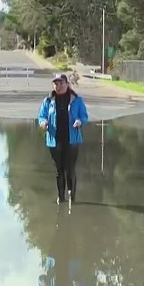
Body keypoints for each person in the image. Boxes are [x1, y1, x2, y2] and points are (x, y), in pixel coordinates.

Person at [37, 73, 89, 203]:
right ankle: (61, 197)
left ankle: (72, 197)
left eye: (61, 83)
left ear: (67, 84)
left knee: (70, 169)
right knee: (59, 170)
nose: (58, 86)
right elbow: (41, 116)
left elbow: (84, 116)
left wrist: (79, 121)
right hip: (54, 140)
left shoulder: (76, 100)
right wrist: (43, 123)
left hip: (72, 140)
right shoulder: (48, 101)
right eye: (56, 83)